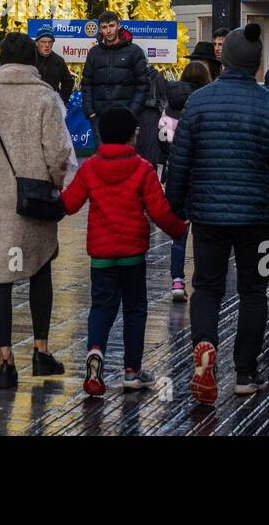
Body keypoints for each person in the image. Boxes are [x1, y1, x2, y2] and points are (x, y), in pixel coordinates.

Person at [165, 24, 269, 402]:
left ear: (223, 59)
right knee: (253, 291)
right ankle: (244, 371)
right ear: (258, 64)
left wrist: (175, 208)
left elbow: (180, 161)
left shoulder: (199, 102)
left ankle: (205, 347)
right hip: (256, 215)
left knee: (206, 287)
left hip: (207, 213)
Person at [0, 32, 74, 389]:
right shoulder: (46, 96)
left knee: (0, 278)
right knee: (40, 269)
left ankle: (5, 361)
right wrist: (56, 186)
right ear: (31, 60)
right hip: (34, 200)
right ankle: (40, 352)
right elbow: (59, 152)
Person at [62, 107, 187, 396]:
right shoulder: (142, 168)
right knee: (134, 309)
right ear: (131, 137)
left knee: (101, 307)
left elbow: (69, 204)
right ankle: (132, 370)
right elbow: (159, 211)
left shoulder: (91, 167)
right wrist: (180, 230)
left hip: (101, 256)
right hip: (132, 255)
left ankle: (95, 351)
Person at [163, 62, 211, 302]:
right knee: (203, 232)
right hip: (203, 174)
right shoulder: (206, 102)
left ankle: (177, 280)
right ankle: (201, 278)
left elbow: (162, 137)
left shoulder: (171, 106)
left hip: (177, 172)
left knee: (179, 230)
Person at [80, 10, 150, 141]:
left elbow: (143, 85)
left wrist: (132, 112)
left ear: (118, 26)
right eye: (104, 27)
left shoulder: (134, 51)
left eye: (111, 26)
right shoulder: (94, 53)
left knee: (125, 157)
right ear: (100, 30)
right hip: (100, 117)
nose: (108, 31)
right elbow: (86, 84)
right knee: (103, 158)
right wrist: (90, 112)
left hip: (126, 116)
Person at [134, 66, 170, 168]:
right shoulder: (157, 76)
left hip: (146, 116)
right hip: (151, 116)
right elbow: (164, 99)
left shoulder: (135, 76)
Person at [33, 27, 74, 104]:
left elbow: (68, 82)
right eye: (43, 42)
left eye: (50, 42)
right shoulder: (30, 59)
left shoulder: (58, 61)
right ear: (37, 43)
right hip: (32, 104)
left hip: (51, 105)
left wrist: (61, 101)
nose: (47, 45)